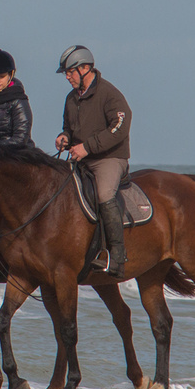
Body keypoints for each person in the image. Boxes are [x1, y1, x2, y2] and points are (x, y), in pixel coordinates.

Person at [53, 45, 132, 277]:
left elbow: (120, 128)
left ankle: (117, 256)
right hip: (81, 159)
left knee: (104, 194)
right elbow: (68, 128)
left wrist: (87, 147)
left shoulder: (109, 94)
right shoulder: (71, 98)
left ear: (86, 68)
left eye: (70, 72)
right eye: (66, 73)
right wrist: (64, 138)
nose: (67, 77)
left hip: (109, 158)